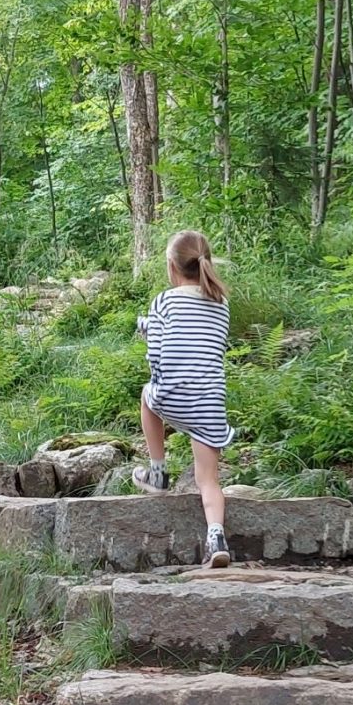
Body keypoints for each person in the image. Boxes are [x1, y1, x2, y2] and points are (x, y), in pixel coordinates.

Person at [134, 229, 234, 569]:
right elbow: (201, 341)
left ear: (172, 268)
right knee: (208, 479)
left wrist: (148, 330)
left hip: (173, 395)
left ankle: (158, 472)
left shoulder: (163, 301)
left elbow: (157, 355)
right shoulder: (222, 304)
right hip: (209, 405)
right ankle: (217, 537)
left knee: (147, 398)